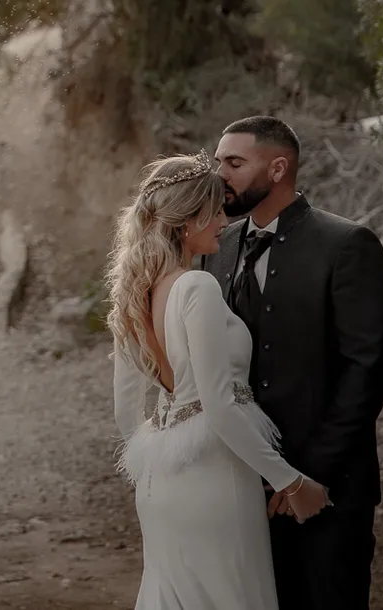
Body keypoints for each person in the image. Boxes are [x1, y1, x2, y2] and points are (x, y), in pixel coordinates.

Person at [109, 154, 329, 610]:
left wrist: (158, 473)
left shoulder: (135, 293)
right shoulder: (196, 287)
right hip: (215, 479)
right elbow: (220, 406)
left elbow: (125, 413)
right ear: (185, 221)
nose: (224, 222)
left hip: (160, 489)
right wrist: (291, 483)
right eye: (213, 211)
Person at [211, 116, 383, 610]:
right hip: (242, 485)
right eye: (217, 162)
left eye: (233, 162)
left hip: (331, 489)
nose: (219, 174)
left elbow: (368, 370)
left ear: (278, 168)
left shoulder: (348, 245)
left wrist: (304, 475)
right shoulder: (218, 246)